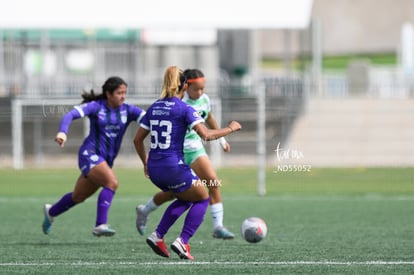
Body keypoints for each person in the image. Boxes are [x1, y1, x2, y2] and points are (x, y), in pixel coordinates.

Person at [133, 66, 241, 260]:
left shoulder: (154, 106)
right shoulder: (185, 108)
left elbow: (137, 140)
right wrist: (230, 129)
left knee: (185, 197)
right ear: (184, 86)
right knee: (203, 196)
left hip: (156, 169)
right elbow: (206, 135)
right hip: (173, 166)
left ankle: (158, 235)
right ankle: (183, 241)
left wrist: (145, 163)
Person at [42, 76, 145, 237]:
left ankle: (51, 211)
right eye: (119, 93)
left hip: (106, 161)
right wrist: (63, 132)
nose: (123, 96)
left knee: (78, 196)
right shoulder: (96, 107)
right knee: (111, 183)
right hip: (89, 154)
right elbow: (69, 115)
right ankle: (100, 225)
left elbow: (148, 120)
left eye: (125, 92)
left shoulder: (128, 110)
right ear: (108, 94)